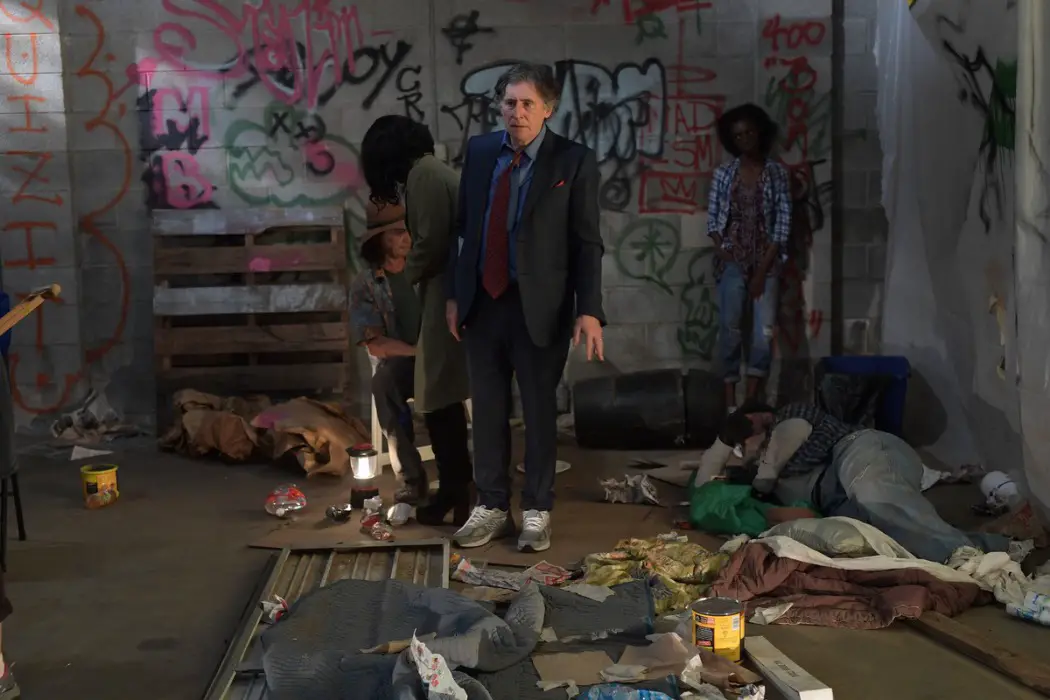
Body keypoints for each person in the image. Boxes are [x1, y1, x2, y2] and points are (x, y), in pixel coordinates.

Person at [444, 62, 606, 553]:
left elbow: (587, 241)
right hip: (483, 303)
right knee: (488, 411)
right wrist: (455, 294)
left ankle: (537, 509)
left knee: (538, 412)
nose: (517, 112)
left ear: (548, 109)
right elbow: (463, 229)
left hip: (541, 306)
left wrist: (589, 309)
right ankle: (492, 506)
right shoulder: (480, 152)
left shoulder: (572, 160)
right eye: (510, 103)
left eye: (527, 104)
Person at [696, 401, 1012, 563]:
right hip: (838, 497)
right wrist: (724, 441)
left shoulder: (791, 419)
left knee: (877, 498)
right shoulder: (759, 469)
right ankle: (997, 549)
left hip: (860, 451)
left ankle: (963, 559)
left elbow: (770, 468)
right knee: (889, 537)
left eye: (750, 424)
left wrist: (753, 440)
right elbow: (703, 488)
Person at [358, 115, 474, 526]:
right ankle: (454, 490)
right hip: (448, 294)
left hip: (446, 294)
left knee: (439, 398)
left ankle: (459, 492)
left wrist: (410, 274)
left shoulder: (423, 175)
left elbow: (431, 243)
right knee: (438, 397)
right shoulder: (433, 172)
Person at [706, 104, 792, 413]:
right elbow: (713, 220)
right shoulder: (724, 174)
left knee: (763, 332)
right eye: (738, 135)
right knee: (730, 329)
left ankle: (752, 399)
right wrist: (723, 249)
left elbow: (782, 226)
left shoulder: (777, 174)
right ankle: (730, 401)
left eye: (749, 132)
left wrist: (760, 272)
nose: (745, 140)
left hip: (766, 264)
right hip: (732, 262)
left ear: (760, 132)